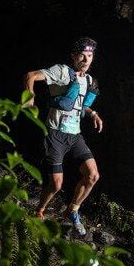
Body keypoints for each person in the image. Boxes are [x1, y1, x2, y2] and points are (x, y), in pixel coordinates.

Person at [24, 37, 103, 236]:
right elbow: (30, 75)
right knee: (56, 184)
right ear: (74, 56)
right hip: (55, 134)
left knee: (93, 175)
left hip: (75, 136)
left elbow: (80, 105)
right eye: (82, 56)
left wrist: (93, 114)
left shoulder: (88, 80)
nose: (86, 60)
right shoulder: (61, 72)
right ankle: (40, 210)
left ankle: (73, 210)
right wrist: (30, 95)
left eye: (90, 56)